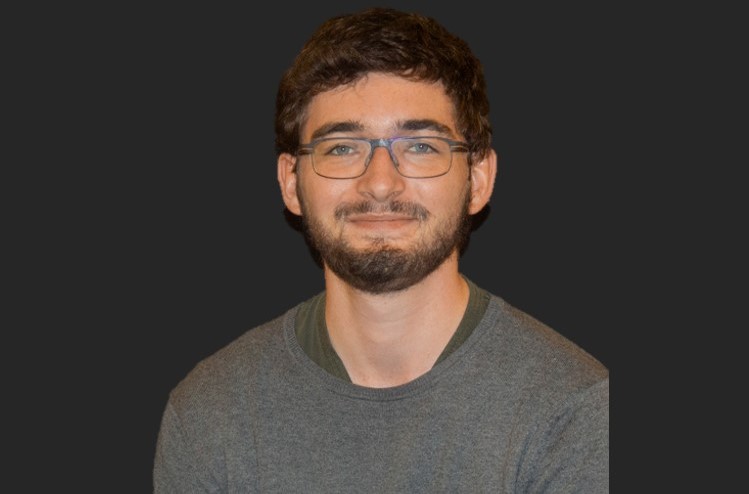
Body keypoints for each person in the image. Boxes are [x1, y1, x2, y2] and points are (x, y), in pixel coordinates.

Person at [153, 7, 609, 492]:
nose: (380, 183)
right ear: (291, 182)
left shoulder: (571, 412)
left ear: (478, 179)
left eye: (421, 147)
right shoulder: (210, 416)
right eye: (342, 148)